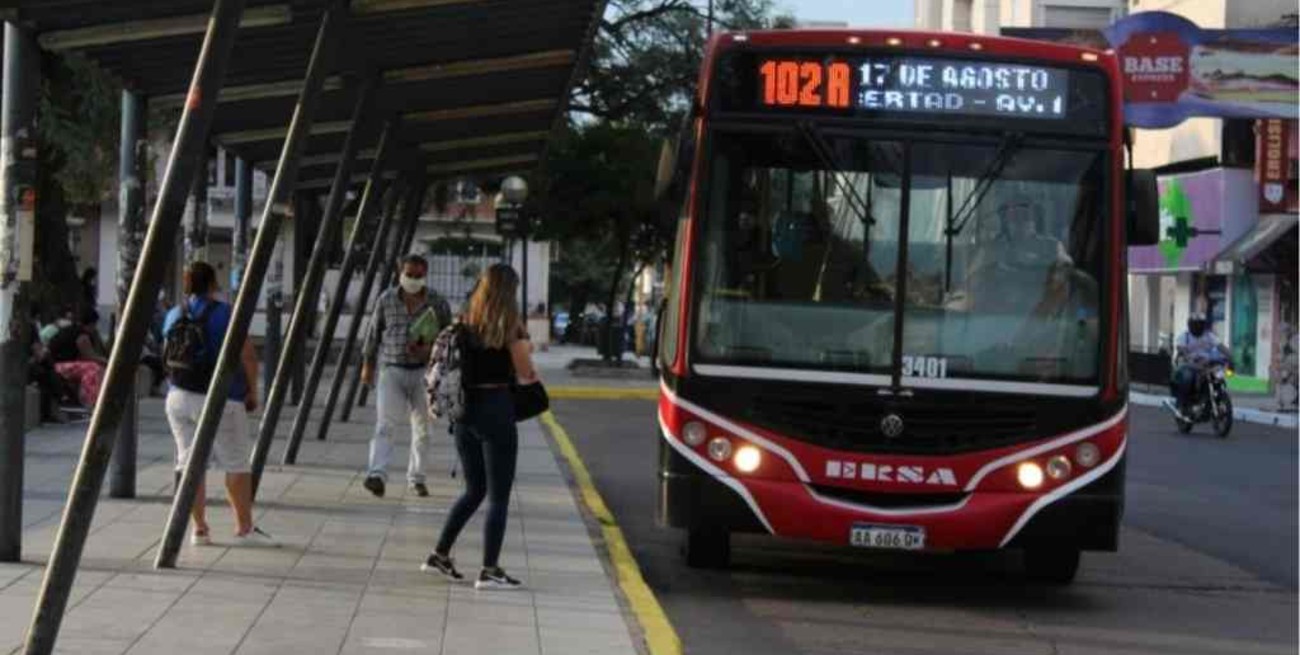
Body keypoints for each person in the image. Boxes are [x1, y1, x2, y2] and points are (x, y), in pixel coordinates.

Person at [423, 263, 537, 590]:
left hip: (464, 412)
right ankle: (489, 569)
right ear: (509, 292)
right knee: (498, 495)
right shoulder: (510, 328)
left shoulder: (463, 323)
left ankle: (440, 553)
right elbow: (526, 373)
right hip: (496, 410)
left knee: (474, 489)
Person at [162, 261, 277, 547]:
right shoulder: (225, 313)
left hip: (177, 396)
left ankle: (198, 529)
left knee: (189, 464)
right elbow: (247, 355)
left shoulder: (174, 313)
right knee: (236, 462)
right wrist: (252, 392)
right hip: (220, 398)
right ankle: (244, 528)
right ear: (213, 283)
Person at [361, 254, 451, 498]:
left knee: (423, 430)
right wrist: (367, 366)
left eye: (418, 275)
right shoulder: (386, 299)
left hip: (424, 374)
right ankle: (376, 474)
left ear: (426, 275)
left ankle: (417, 478)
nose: (413, 279)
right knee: (385, 425)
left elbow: (448, 340)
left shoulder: (438, 303)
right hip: (392, 370)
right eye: (409, 274)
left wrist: (428, 349)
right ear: (400, 273)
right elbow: (373, 333)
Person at [1171, 312, 1232, 412]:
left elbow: (1221, 346)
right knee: (1187, 377)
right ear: (1190, 325)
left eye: (1200, 324)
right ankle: (1182, 403)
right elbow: (1181, 348)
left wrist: (1230, 356)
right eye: (1196, 324)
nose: (1198, 326)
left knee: (1218, 375)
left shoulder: (1209, 336)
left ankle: (1214, 396)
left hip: (1206, 365)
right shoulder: (1185, 336)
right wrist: (1188, 356)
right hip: (1189, 365)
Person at [48, 307, 108, 408]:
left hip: (55, 364)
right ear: (92, 323)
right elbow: (89, 356)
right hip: (59, 365)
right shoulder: (82, 335)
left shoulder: (72, 330)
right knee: (93, 368)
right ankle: (89, 401)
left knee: (94, 367)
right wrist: (107, 361)